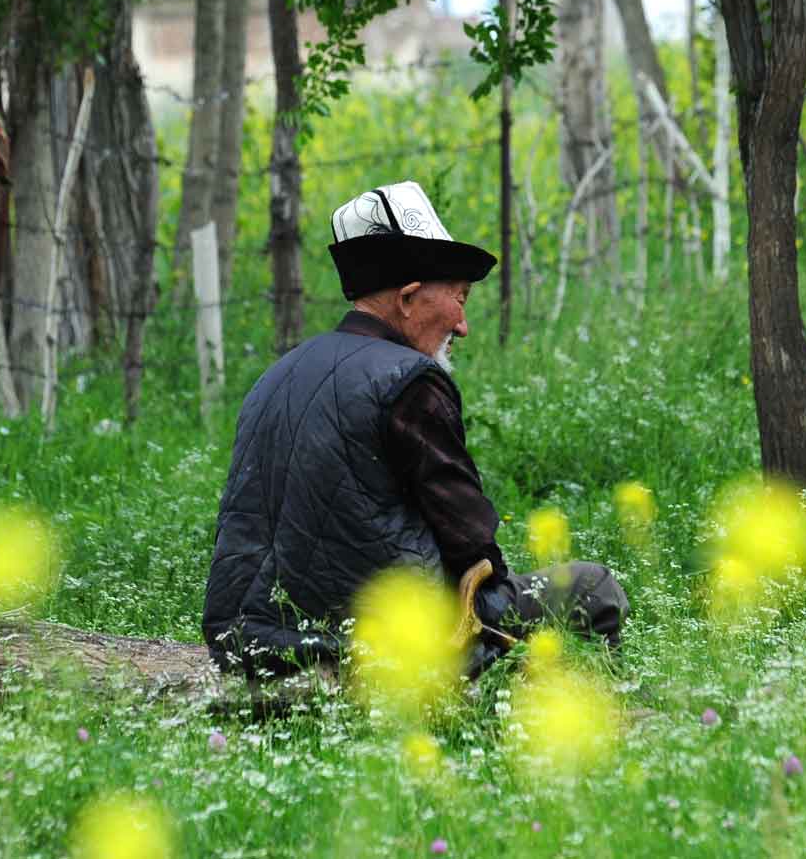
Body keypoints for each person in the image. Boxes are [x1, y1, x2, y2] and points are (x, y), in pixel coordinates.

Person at [201, 180, 626, 680]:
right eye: (460, 299)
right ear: (407, 298)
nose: (462, 326)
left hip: (247, 644)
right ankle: (594, 721)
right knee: (594, 588)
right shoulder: (409, 380)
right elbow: (471, 540)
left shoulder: (273, 377)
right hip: (388, 643)